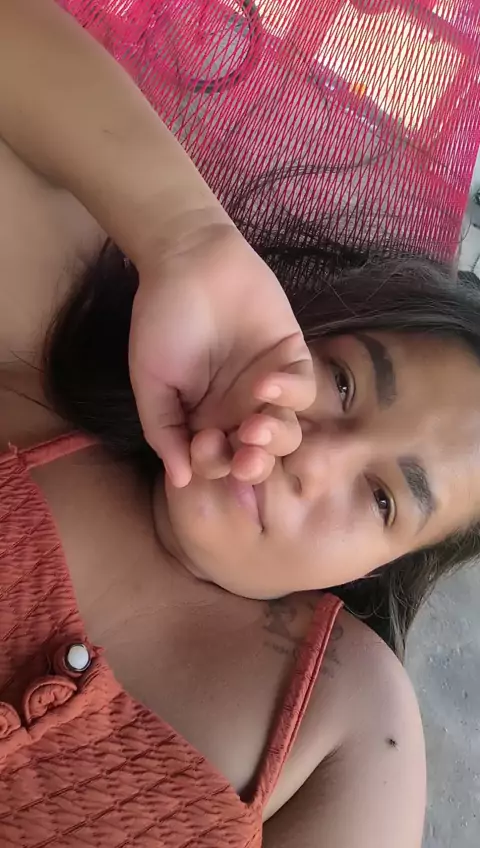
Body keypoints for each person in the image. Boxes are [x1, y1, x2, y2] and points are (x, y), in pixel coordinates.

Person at [0, 2, 479, 847]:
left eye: (381, 500)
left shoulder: (350, 721)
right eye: (341, 381)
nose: (313, 457)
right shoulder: (56, 364)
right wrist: (187, 240)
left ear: (381, 566)